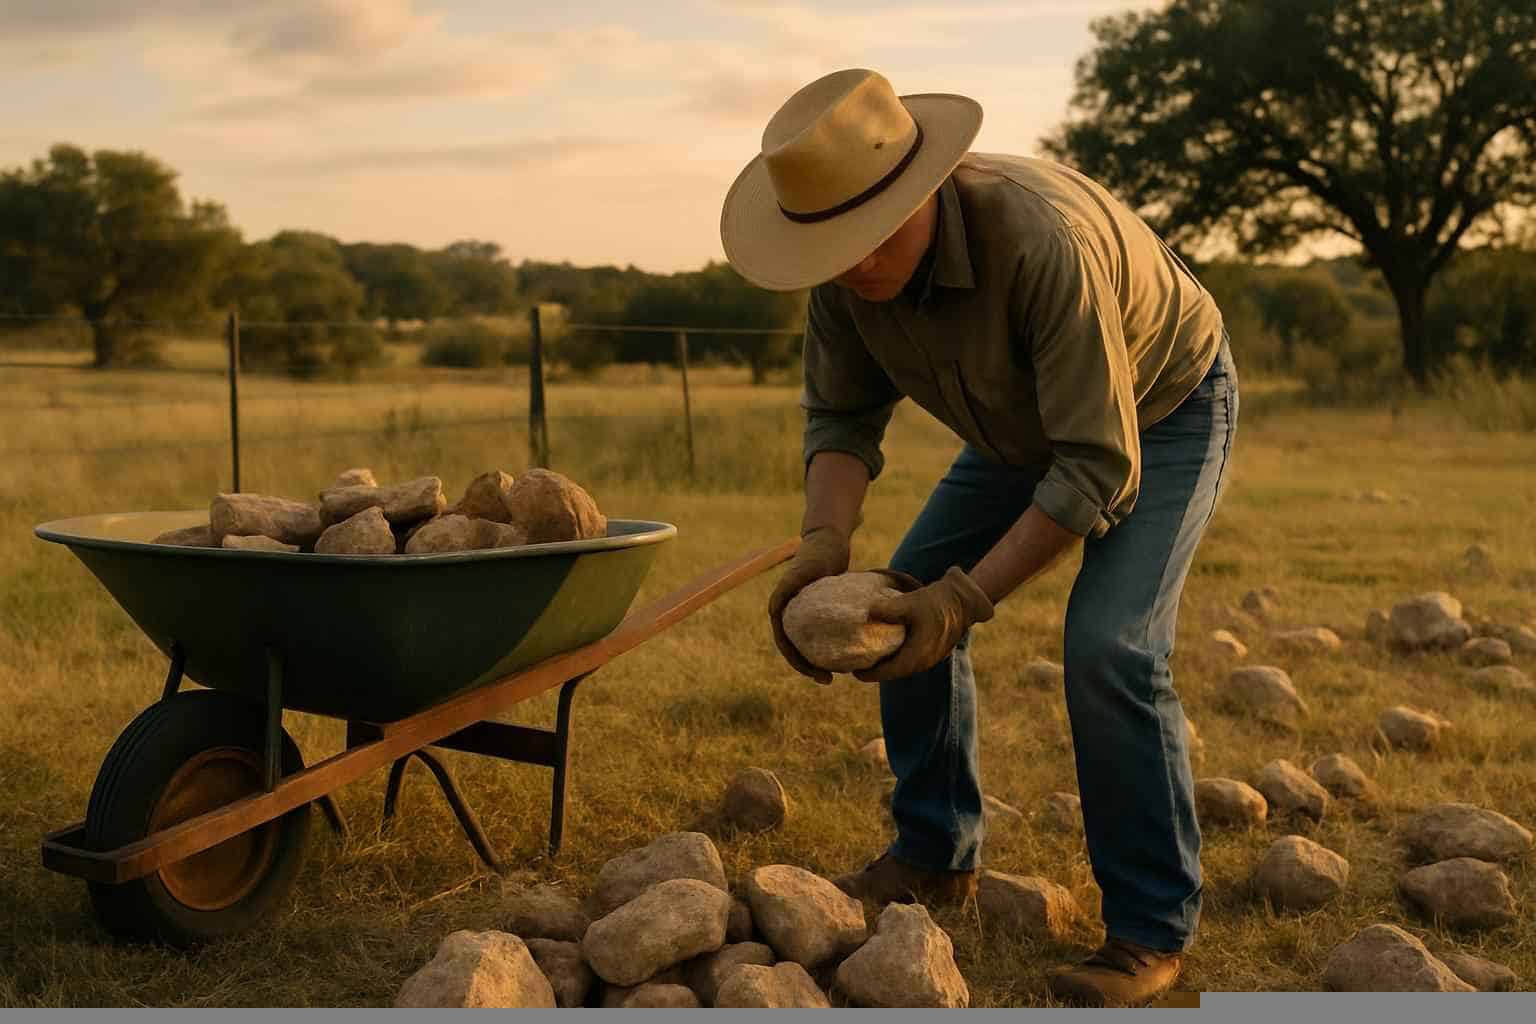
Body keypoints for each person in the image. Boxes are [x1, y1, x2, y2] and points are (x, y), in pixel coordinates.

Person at [718, 69, 1239, 1007]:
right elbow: (840, 420)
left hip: (1162, 409)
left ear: (918, 194)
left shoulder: (1040, 243)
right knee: (895, 594)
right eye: (830, 247)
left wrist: (962, 601)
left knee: (1109, 646)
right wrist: (821, 550)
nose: (849, 266)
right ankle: (933, 852)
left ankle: (1149, 932)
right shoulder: (842, 276)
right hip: (1022, 425)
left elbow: (1091, 467)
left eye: (864, 240)